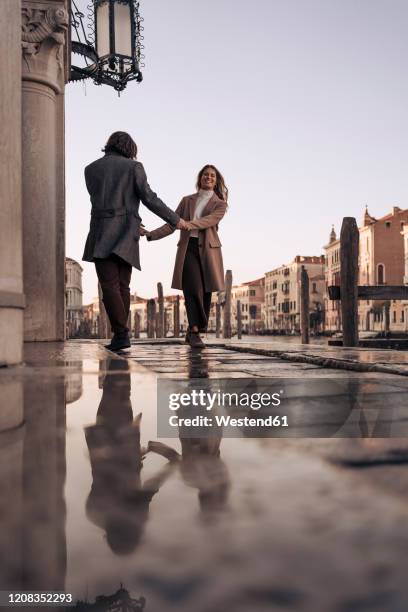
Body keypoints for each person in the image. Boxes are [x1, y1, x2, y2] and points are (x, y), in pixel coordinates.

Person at [82, 131, 188, 352]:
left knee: (109, 286)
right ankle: (122, 334)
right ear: (130, 148)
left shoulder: (90, 169)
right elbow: (149, 198)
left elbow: (103, 200)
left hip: (100, 231)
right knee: (122, 286)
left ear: (109, 145)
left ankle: (121, 334)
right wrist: (176, 220)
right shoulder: (134, 167)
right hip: (125, 234)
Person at [143, 165, 228, 348]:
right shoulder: (187, 200)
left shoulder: (220, 204)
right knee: (192, 288)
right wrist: (151, 234)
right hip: (188, 248)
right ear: (200, 178)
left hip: (209, 250)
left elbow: (210, 221)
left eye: (213, 175)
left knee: (206, 291)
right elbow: (173, 223)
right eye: (206, 174)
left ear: (216, 180)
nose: (209, 177)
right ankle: (196, 331)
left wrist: (188, 225)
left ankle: (192, 330)